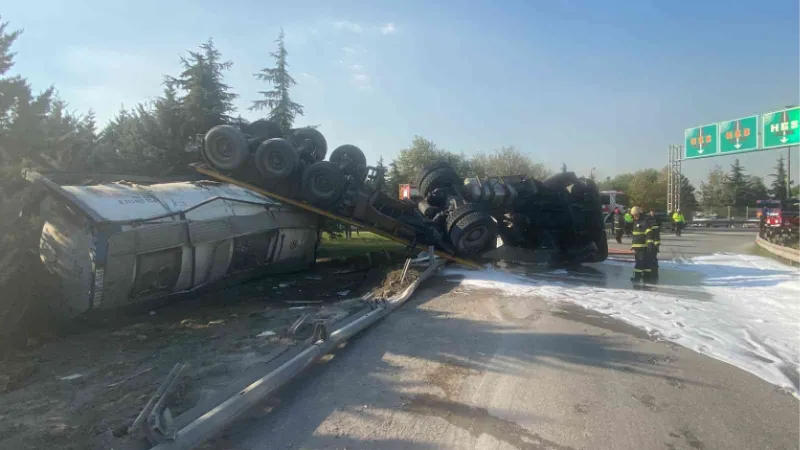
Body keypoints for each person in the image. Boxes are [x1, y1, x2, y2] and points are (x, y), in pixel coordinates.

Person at [630, 206, 655, 282]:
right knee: (644, 263)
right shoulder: (635, 222)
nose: (635, 216)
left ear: (639, 214)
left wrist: (649, 243)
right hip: (638, 247)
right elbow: (636, 235)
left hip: (643, 247)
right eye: (633, 215)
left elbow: (649, 233)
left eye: (636, 214)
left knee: (640, 263)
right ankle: (646, 277)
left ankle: (637, 278)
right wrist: (633, 245)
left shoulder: (644, 222)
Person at [648, 208, 661, 279]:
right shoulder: (648, 219)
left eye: (653, 212)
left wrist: (657, 244)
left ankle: (654, 266)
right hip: (650, 241)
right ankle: (652, 265)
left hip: (654, 241)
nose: (652, 213)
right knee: (651, 255)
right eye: (651, 212)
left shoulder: (655, 219)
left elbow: (657, 235)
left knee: (654, 255)